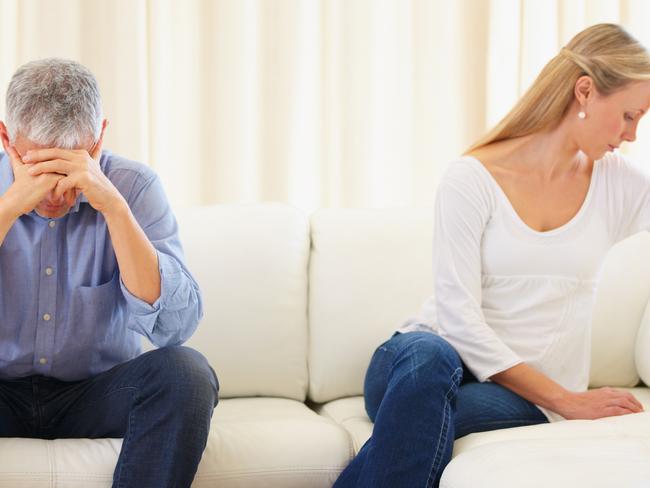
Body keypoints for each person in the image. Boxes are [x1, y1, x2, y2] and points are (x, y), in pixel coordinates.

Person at [334, 23, 650, 488]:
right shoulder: (473, 178)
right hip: (417, 361)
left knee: (419, 420)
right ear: (585, 91)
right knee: (431, 360)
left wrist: (555, 398)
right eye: (629, 115)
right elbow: (458, 319)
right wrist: (566, 401)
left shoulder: (621, 187)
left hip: (515, 396)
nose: (632, 135)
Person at [0, 58, 218, 488]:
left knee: (187, 373)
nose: (56, 192)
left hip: (95, 392)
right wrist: (11, 205)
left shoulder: (134, 186)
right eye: (38, 167)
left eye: (70, 166)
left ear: (99, 138)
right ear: (6, 138)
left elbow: (175, 327)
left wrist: (113, 206)